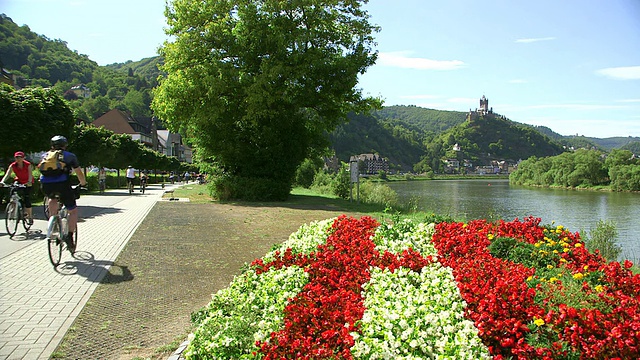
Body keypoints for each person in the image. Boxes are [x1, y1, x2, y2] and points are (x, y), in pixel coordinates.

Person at [39, 136, 87, 253]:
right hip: (62, 185)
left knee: (52, 198)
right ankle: (69, 237)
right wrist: (83, 183)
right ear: (65, 145)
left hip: (45, 184)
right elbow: (79, 172)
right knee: (73, 211)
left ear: (52, 145)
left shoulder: (45, 155)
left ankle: (53, 220)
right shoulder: (70, 156)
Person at [1, 151, 35, 224]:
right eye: (17, 157)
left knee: (27, 199)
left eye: (20, 157)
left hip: (27, 182)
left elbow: (30, 174)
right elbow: (8, 174)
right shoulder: (13, 165)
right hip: (19, 180)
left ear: (23, 158)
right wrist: (2, 181)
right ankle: (14, 205)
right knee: (13, 190)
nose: (18, 159)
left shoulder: (27, 164)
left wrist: (29, 182)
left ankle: (30, 216)